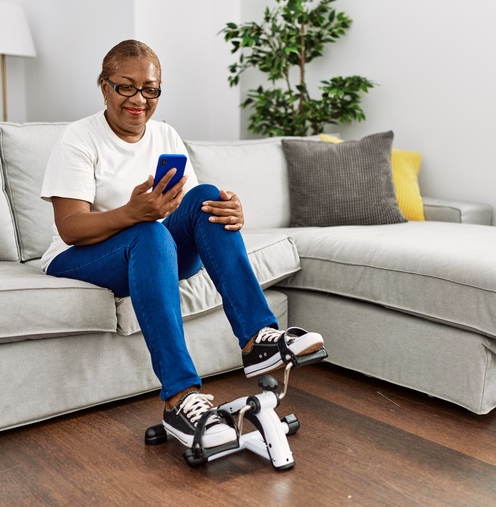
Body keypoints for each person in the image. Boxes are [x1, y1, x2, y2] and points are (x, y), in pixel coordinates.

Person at [40, 40, 324, 449]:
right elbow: (70, 228)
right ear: (104, 86)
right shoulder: (79, 138)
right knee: (150, 231)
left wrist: (229, 214)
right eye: (126, 87)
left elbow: (189, 214)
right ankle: (179, 397)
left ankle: (257, 339)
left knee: (207, 195)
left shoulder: (166, 135)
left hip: (152, 253)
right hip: (82, 257)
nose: (139, 99)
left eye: (150, 89)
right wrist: (134, 213)